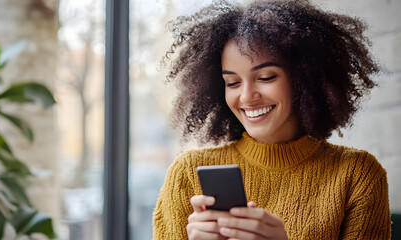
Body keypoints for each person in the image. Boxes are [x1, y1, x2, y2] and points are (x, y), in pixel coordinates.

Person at [152, 0, 391, 239]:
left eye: (266, 77)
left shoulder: (357, 175)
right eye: (232, 83)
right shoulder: (187, 174)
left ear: (304, 78)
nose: (246, 97)